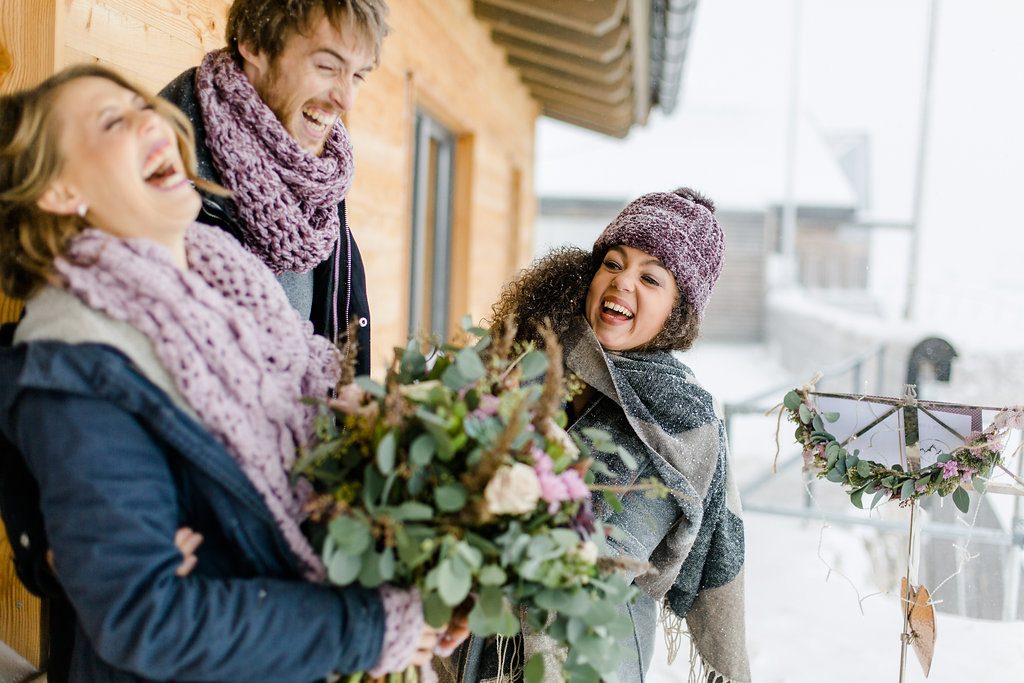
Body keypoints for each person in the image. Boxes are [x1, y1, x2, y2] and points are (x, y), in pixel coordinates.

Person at [0, 64, 464, 682]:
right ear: (59, 192)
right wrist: (370, 629)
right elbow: (147, 617)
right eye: (113, 121)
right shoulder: (79, 361)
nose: (151, 120)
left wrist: (416, 577)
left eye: (141, 106)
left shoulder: (230, 281)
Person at [442, 188, 750, 682]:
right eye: (613, 262)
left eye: (650, 277)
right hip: (471, 635)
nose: (622, 282)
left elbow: (611, 549)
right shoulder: (524, 355)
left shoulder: (681, 420)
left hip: (589, 656)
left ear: (677, 311)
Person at [160, 0, 384, 376]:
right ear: (254, 45)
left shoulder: (321, 183)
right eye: (327, 67)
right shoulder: (157, 169)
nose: (345, 99)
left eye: (358, 75)